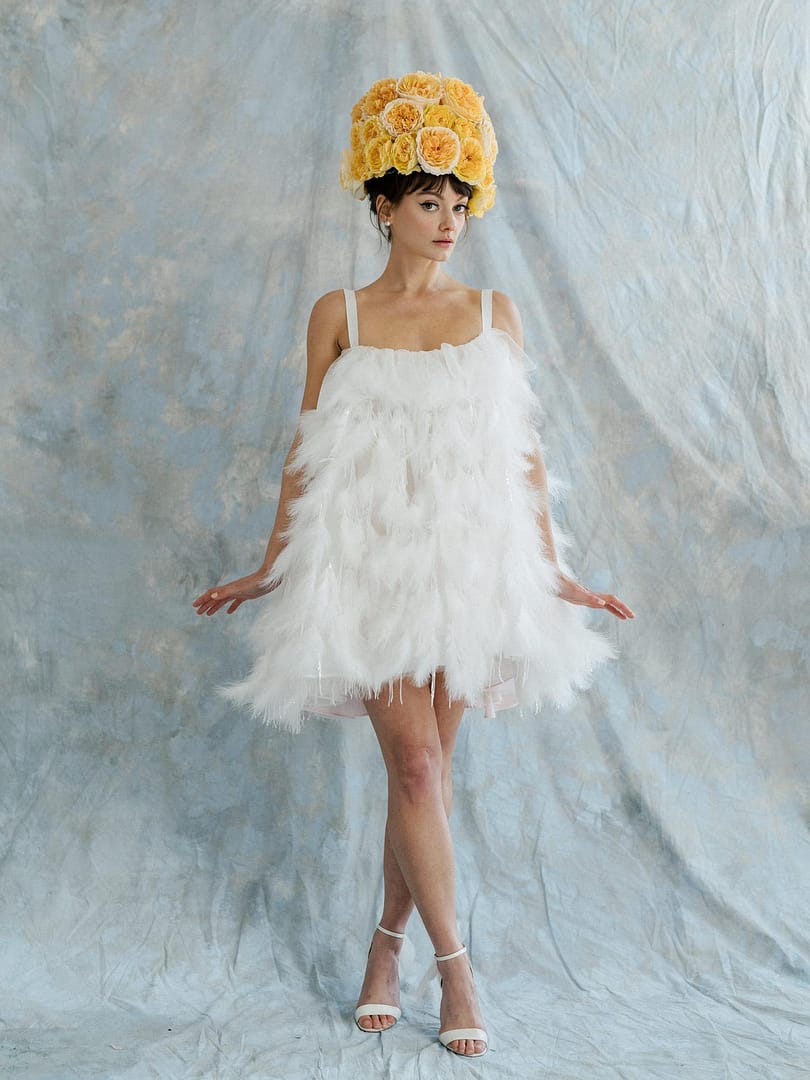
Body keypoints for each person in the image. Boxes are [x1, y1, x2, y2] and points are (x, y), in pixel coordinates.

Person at [192, 70, 635, 1059]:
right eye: (427, 200)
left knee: (419, 785)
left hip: (471, 569)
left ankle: (383, 948)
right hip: (372, 567)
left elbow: (525, 459)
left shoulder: (492, 314)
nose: (448, 218)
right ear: (383, 205)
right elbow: (305, 448)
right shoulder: (338, 312)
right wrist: (270, 565)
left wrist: (555, 575)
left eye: (458, 200)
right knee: (418, 764)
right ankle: (456, 968)